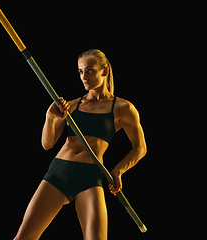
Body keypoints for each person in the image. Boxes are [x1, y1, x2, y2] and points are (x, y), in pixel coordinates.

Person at [14, 49, 147, 240]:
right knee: (24, 237)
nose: (84, 76)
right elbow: (47, 144)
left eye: (90, 70)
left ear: (105, 70)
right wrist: (50, 117)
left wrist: (118, 171)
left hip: (90, 177)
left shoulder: (123, 108)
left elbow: (140, 148)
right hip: (58, 172)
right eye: (81, 71)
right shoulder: (72, 105)